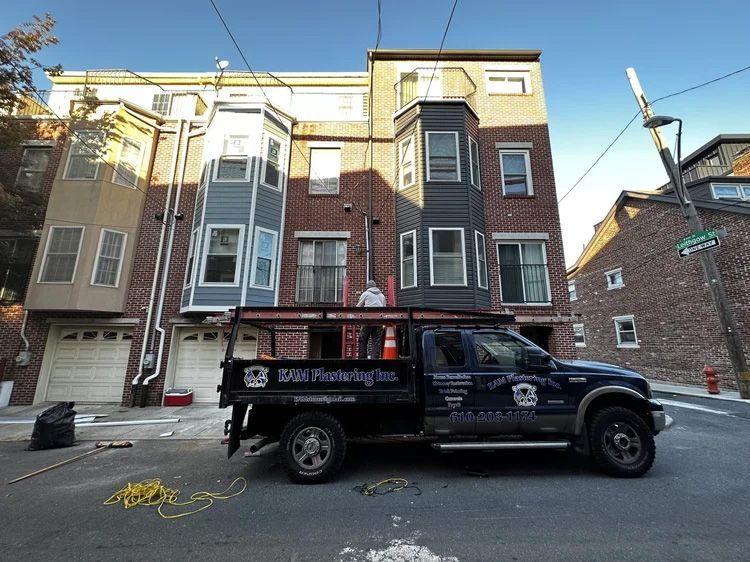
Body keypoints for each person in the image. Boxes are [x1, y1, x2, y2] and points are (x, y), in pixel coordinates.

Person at [356, 280, 386, 359]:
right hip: (379, 322)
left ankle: (362, 360)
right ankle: (374, 361)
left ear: (367, 287)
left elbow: (358, 307)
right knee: (376, 342)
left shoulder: (365, 294)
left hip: (367, 321)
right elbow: (384, 309)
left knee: (363, 339)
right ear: (375, 286)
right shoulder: (382, 296)